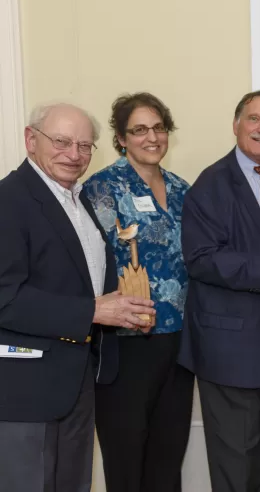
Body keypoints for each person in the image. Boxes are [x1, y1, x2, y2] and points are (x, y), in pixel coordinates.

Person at [0, 103, 155, 492]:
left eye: (85, 146)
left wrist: (119, 304)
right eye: (62, 142)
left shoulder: (76, 198)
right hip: (27, 393)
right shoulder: (10, 200)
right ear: (30, 140)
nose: (75, 154)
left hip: (77, 384)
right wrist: (93, 311)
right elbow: (5, 297)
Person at [178, 90, 260, 492]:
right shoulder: (210, 184)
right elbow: (200, 259)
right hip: (229, 345)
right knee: (234, 462)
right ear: (236, 126)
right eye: (254, 120)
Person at [84, 93, 194, 492]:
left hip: (177, 343)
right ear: (121, 138)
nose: (152, 137)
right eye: (140, 129)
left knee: (168, 457)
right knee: (127, 460)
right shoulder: (102, 188)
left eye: (159, 127)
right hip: (125, 343)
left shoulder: (183, 189)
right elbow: (87, 263)